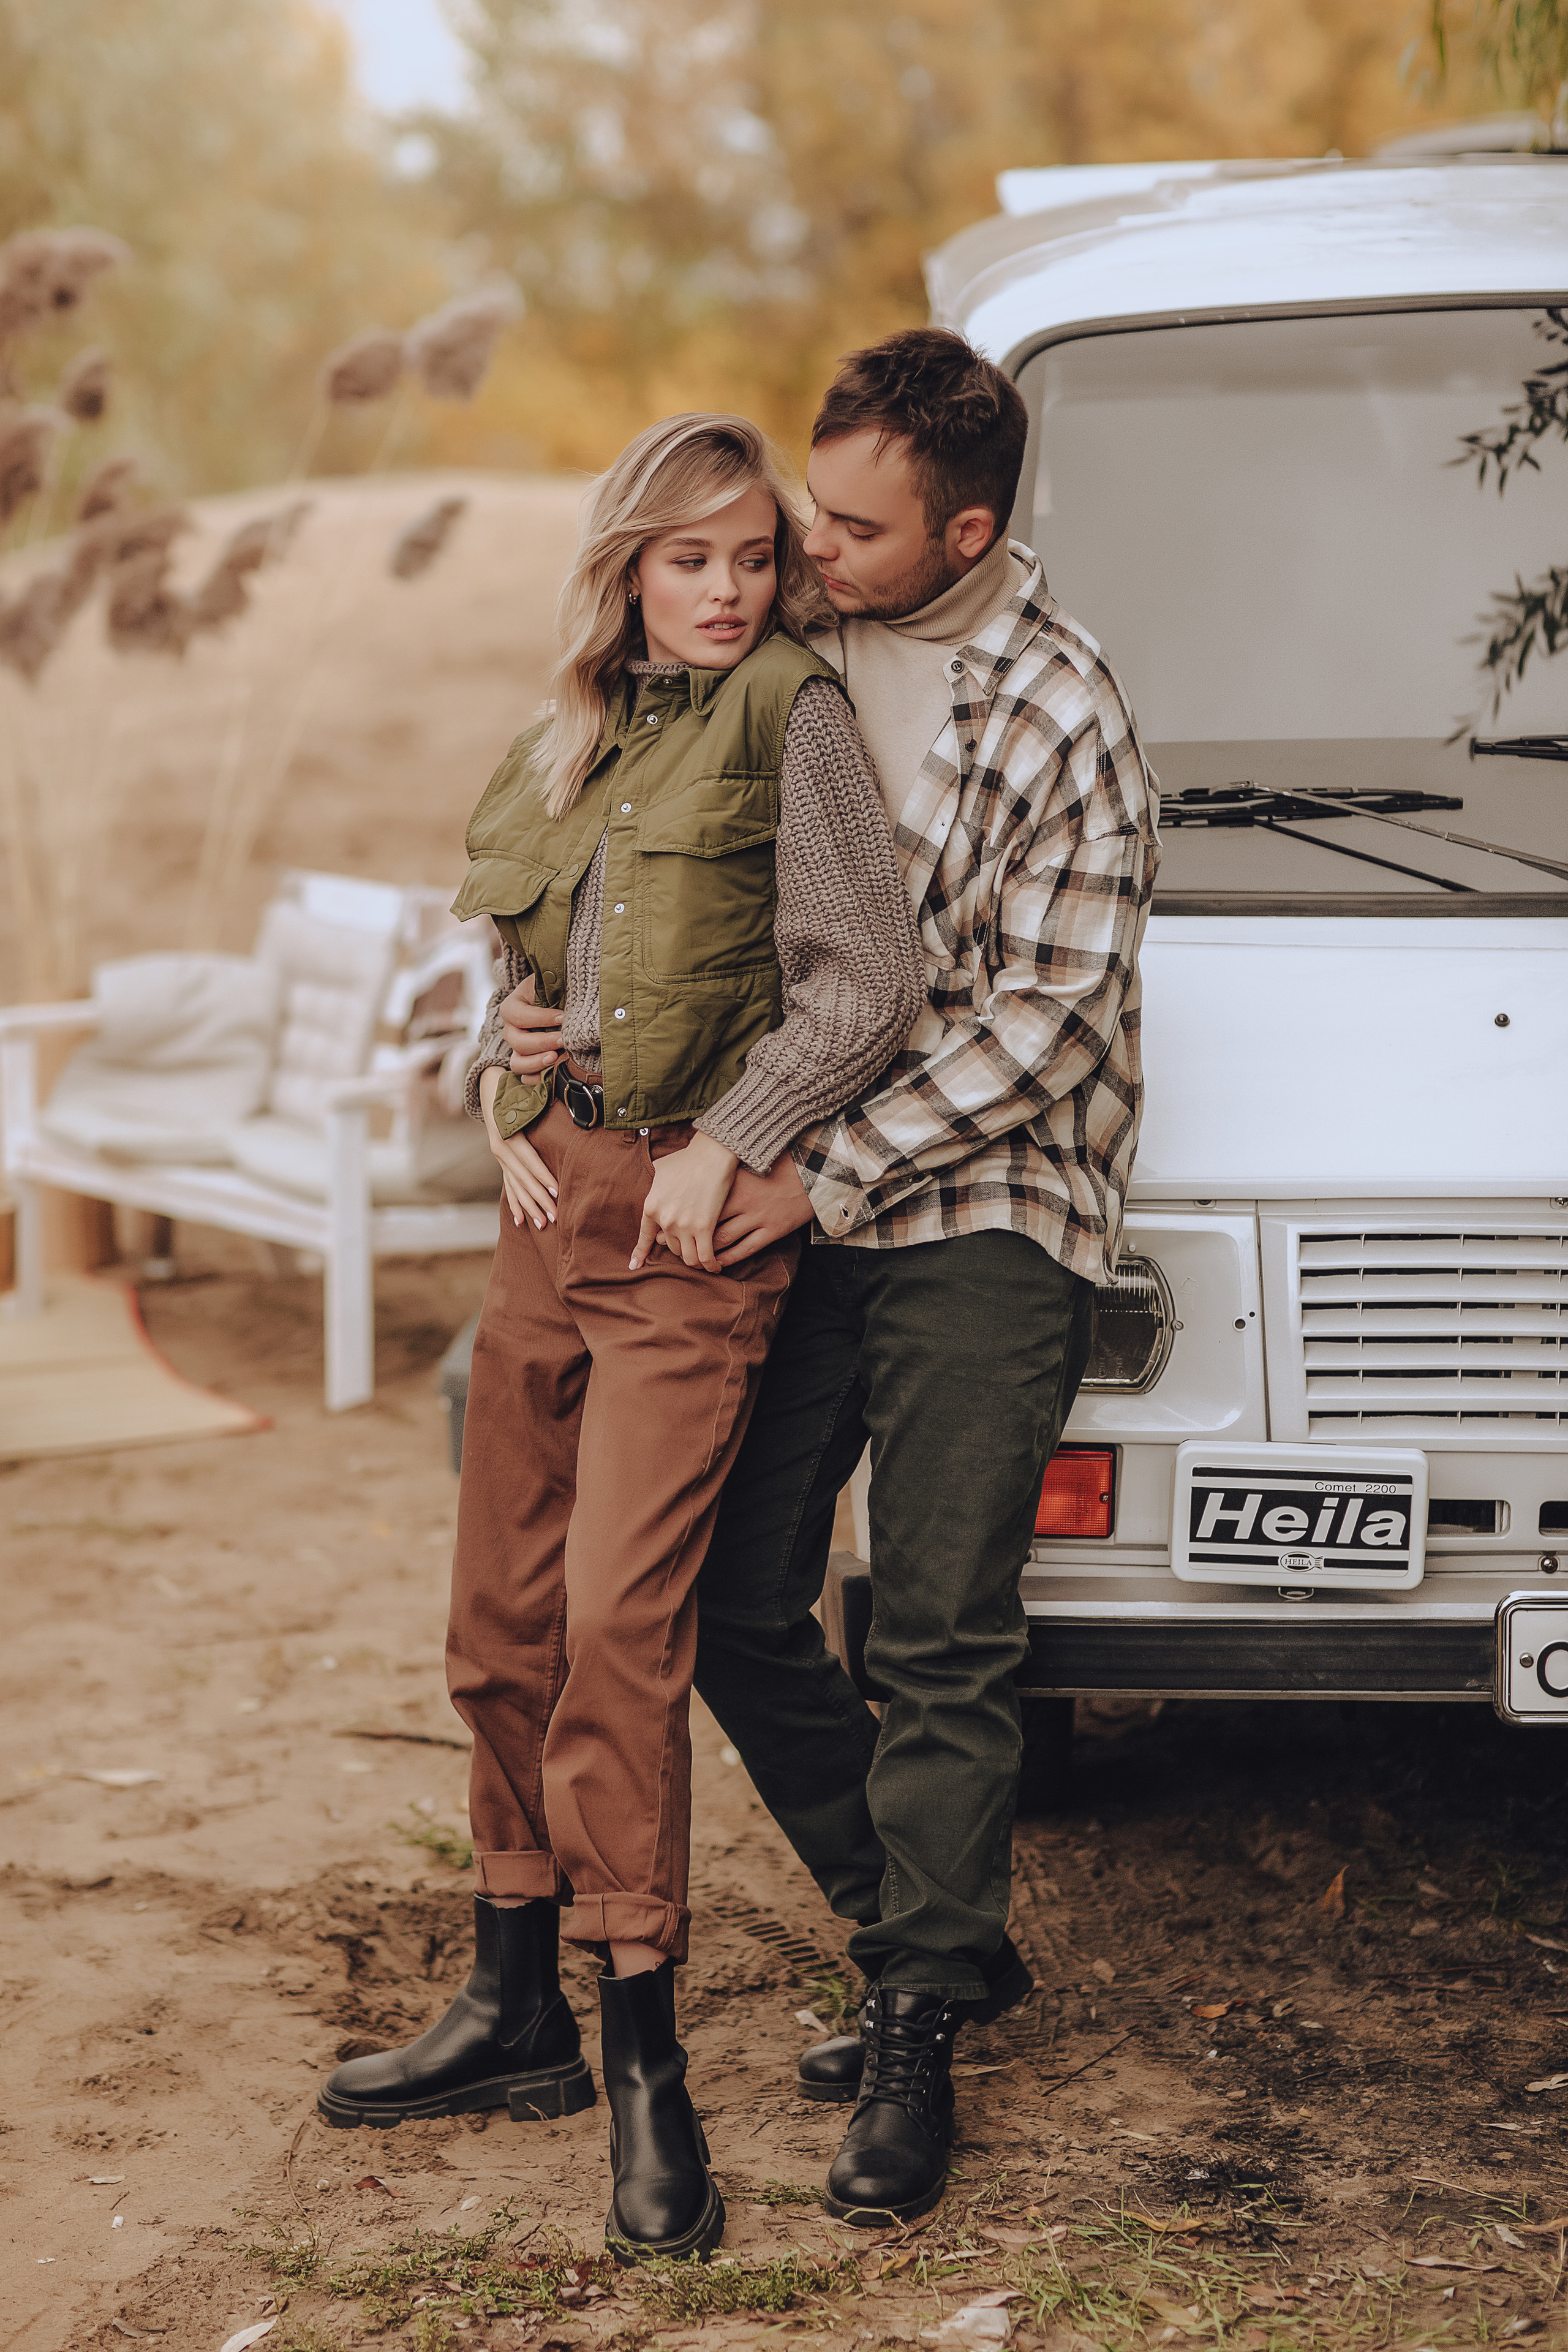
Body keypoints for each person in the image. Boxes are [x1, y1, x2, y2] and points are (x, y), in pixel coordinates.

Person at [505, 330, 1159, 2228]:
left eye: (857, 529)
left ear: (965, 530)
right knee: (724, 1595)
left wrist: (817, 1171)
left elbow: (1050, 1019)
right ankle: (925, 1926)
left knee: (944, 1628)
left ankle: (915, 2027)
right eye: (813, 503)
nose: (810, 545)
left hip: (985, 1205)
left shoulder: (1061, 709)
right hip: (783, 1186)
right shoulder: (777, 650)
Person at [316, 414, 925, 2268]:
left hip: (685, 1229)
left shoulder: (793, 716)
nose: (731, 589)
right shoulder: (566, 736)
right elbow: (518, 976)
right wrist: (503, 1074)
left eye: (754, 555)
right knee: (495, 1618)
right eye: (692, 560)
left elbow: (869, 977)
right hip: (547, 1215)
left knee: (613, 1632)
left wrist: (734, 1145)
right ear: (630, 570)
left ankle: (644, 2049)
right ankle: (518, 2008)